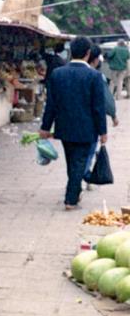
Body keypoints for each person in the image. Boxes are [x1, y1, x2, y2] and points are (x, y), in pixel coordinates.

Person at [39, 36, 107, 211]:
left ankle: (74, 194)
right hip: (87, 128)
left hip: (65, 127)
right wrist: (102, 131)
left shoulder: (58, 73)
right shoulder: (94, 76)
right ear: (88, 53)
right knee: (78, 163)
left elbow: (51, 105)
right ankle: (70, 200)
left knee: (72, 162)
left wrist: (45, 127)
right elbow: (98, 107)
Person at [84, 44, 118, 188]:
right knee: (89, 152)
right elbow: (105, 100)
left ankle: (79, 179)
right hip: (91, 122)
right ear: (96, 59)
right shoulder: (98, 76)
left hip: (69, 123)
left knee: (74, 156)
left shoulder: (63, 73)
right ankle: (85, 176)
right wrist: (113, 115)